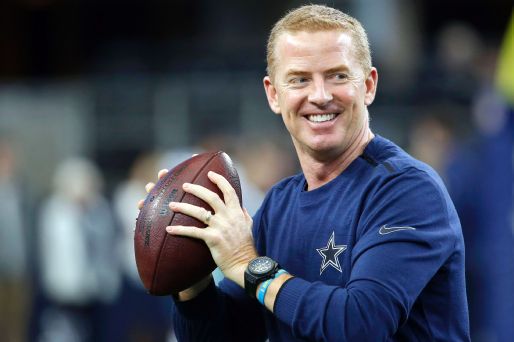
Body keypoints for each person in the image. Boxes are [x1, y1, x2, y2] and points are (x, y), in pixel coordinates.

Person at [141, 5, 470, 341]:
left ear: (368, 85)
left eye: (338, 76)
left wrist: (247, 266)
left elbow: (361, 325)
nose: (320, 95)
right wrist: (191, 279)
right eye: (300, 80)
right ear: (274, 94)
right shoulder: (280, 204)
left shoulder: (407, 189)